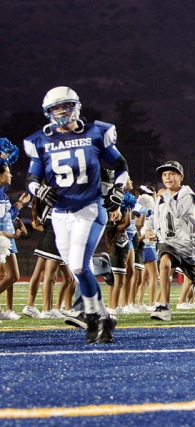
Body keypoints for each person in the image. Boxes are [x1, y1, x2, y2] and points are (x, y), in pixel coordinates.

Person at [23, 86, 125, 343]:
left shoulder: (95, 132)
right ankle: (106, 317)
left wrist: (118, 189)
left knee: (79, 265)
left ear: (76, 107)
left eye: (65, 107)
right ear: (48, 113)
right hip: (60, 213)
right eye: (55, 109)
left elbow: (120, 165)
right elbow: (32, 178)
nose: (61, 113)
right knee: (78, 267)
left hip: (89, 207)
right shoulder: (41, 140)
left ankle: (90, 314)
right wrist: (40, 190)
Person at [144, 160, 195, 321]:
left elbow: (178, 211)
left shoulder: (189, 195)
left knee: (193, 277)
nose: (167, 177)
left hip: (186, 244)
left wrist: (165, 195)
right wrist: (148, 229)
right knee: (164, 264)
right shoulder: (161, 197)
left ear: (181, 176)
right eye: (165, 174)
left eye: (172, 174)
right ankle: (164, 306)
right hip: (167, 242)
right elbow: (154, 216)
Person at [0, 161, 30, 320]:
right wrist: (19, 205)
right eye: (7, 172)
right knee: (13, 276)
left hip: (6, 237)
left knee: (3, 276)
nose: (10, 175)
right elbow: (3, 219)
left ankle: (4, 311)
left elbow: (6, 217)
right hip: (3, 239)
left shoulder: (2, 193)